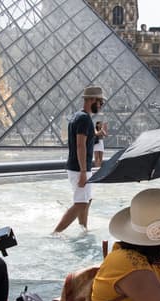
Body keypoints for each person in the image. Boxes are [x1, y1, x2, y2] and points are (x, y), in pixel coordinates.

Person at [53, 86, 105, 234]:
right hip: (79, 168)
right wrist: (83, 171)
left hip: (80, 166)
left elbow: (83, 141)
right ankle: (56, 233)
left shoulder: (79, 116)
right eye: (100, 102)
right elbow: (80, 145)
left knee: (87, 200)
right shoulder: (83, 119)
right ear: (92, 99)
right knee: (80, 203)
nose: (101, 106)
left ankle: (84, 229)